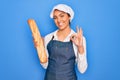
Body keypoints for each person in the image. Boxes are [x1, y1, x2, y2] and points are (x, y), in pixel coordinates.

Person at [34, 4, 88, 80]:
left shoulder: (79, 39)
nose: (59, 20)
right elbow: (46, 66)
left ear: (69, 17)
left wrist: (80, 47)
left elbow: (82, 70)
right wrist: (40, 49)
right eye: (55, 18)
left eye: (62, 16)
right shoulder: (49, 37)